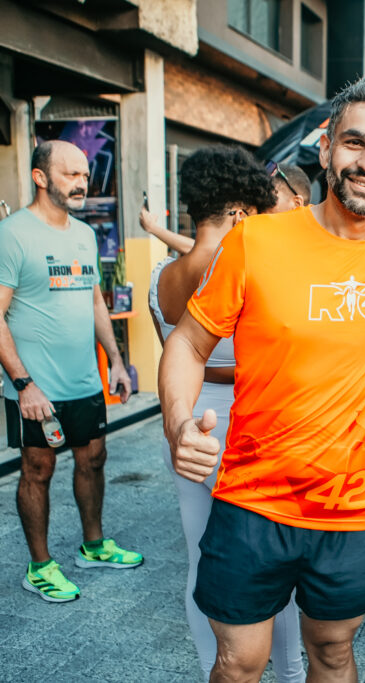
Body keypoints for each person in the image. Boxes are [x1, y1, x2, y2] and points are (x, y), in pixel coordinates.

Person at [158, 77, 365, 681]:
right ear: (326, 148)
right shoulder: (257, 239)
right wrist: (176, 420)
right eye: (354, 143)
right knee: (239, 662)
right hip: (250, 502)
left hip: (356, 513)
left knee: (332, 653)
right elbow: (188, 341)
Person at [148, 146, 304, 681]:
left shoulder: (162, 278)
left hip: (187, 425)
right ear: (241, 212)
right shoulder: (249, 269)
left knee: (201, 559)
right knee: (267, 564)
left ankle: (211, 666)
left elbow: (177, 355)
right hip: (249, 425)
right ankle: (285, 670)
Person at [0, 140, 140, 603]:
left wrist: (116, 360)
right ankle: (39, 567)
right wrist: (23, 384)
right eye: (71, 174)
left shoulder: (85, 234)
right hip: (35, 387)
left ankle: (93, 545)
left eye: (84, 174)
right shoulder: (12, 234)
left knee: (93, 459)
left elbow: (95, 301)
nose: (82, 183)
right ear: (41, 178)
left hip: (84, 379)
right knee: (38, 468)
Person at [139, 162, 312, 252]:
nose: (262, 201)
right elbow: (204, 250)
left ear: (296, 203)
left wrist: (154, 228)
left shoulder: (312, 245)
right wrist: (153, 228)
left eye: (270, 195)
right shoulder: (259, 235)